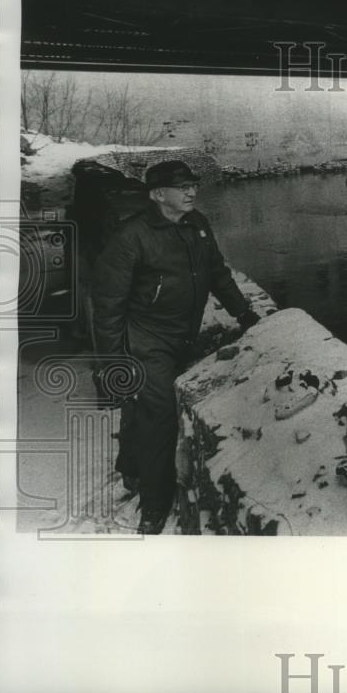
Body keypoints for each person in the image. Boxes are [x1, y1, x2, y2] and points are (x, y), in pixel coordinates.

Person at [92, 160, 260, 534]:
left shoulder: (197, 223)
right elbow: (106, 306)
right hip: (146, 340)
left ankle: (131, 469)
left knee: (143, 408)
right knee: (160, 416)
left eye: (193, 185)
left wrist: (244, 313)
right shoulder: (131, 236)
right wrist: (110, 364)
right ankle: (154, 505)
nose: (191, 191)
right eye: (182, 186)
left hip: (183, 334)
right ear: (157, 194)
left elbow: (217, 272)